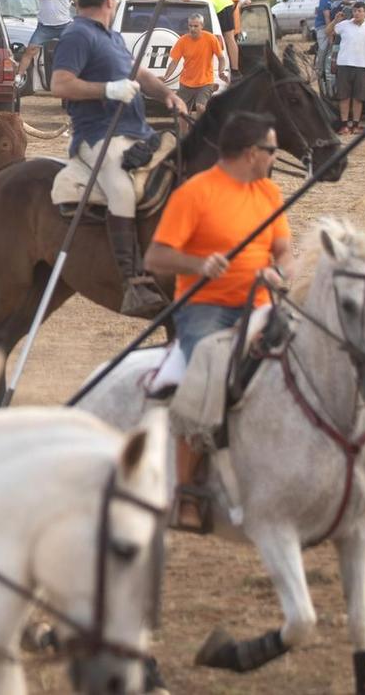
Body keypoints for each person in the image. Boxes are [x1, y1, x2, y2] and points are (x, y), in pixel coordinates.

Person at [142, 110, 293, 530]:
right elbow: (156, 257)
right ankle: (187, 491)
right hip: (204, 307)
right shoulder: (195, 194)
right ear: (250, 153)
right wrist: (197, 263)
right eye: (271, 150)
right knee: (204, 377)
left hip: (262, 302)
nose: (275, 157)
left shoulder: (269, 192)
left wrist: (279, 272)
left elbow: (283, 250)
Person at [52, 0, 187, 318]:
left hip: (137, 132)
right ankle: (132, 283)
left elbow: (138, 74)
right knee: (122, 189)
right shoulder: (77, 35)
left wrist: (167, 93)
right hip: (99, 136)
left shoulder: (112, 37)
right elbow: (60, 84)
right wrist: (106, 90)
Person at [17, 0, 76, 85]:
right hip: (45, 27)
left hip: (64, 26)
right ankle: (18, 77)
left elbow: (78, 3)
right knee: (30, 50)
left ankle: (74, 77)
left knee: (73, 49)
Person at [329, 1, 365, 135]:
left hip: (362, 66)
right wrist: (335, 20)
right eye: (355, 11)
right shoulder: (344, 25)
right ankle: (344, 124)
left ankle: (356, 124)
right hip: (344, 65)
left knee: (358, 98)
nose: (357, 13)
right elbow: (327, 31)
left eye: (360, 11)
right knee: (344, 97)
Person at [162, 12, 227, 114]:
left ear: (202, 26)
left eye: (196, 26)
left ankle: (200, 129)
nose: (192, 29)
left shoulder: (211, 39)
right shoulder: (182, 41)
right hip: (186, 82)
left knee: (200, 107)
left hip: (206, 82)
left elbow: (221, 58)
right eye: (190, 26)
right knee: (182, 112)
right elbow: (174, 62)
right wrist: (166, 76)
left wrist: (221, 71)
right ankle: (184, 130)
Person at [311, 0, 345, 78]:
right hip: (323, 25)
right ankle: (319, 70)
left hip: (338, 23)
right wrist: (330, 37)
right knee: (324, 46)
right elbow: (327, 19)